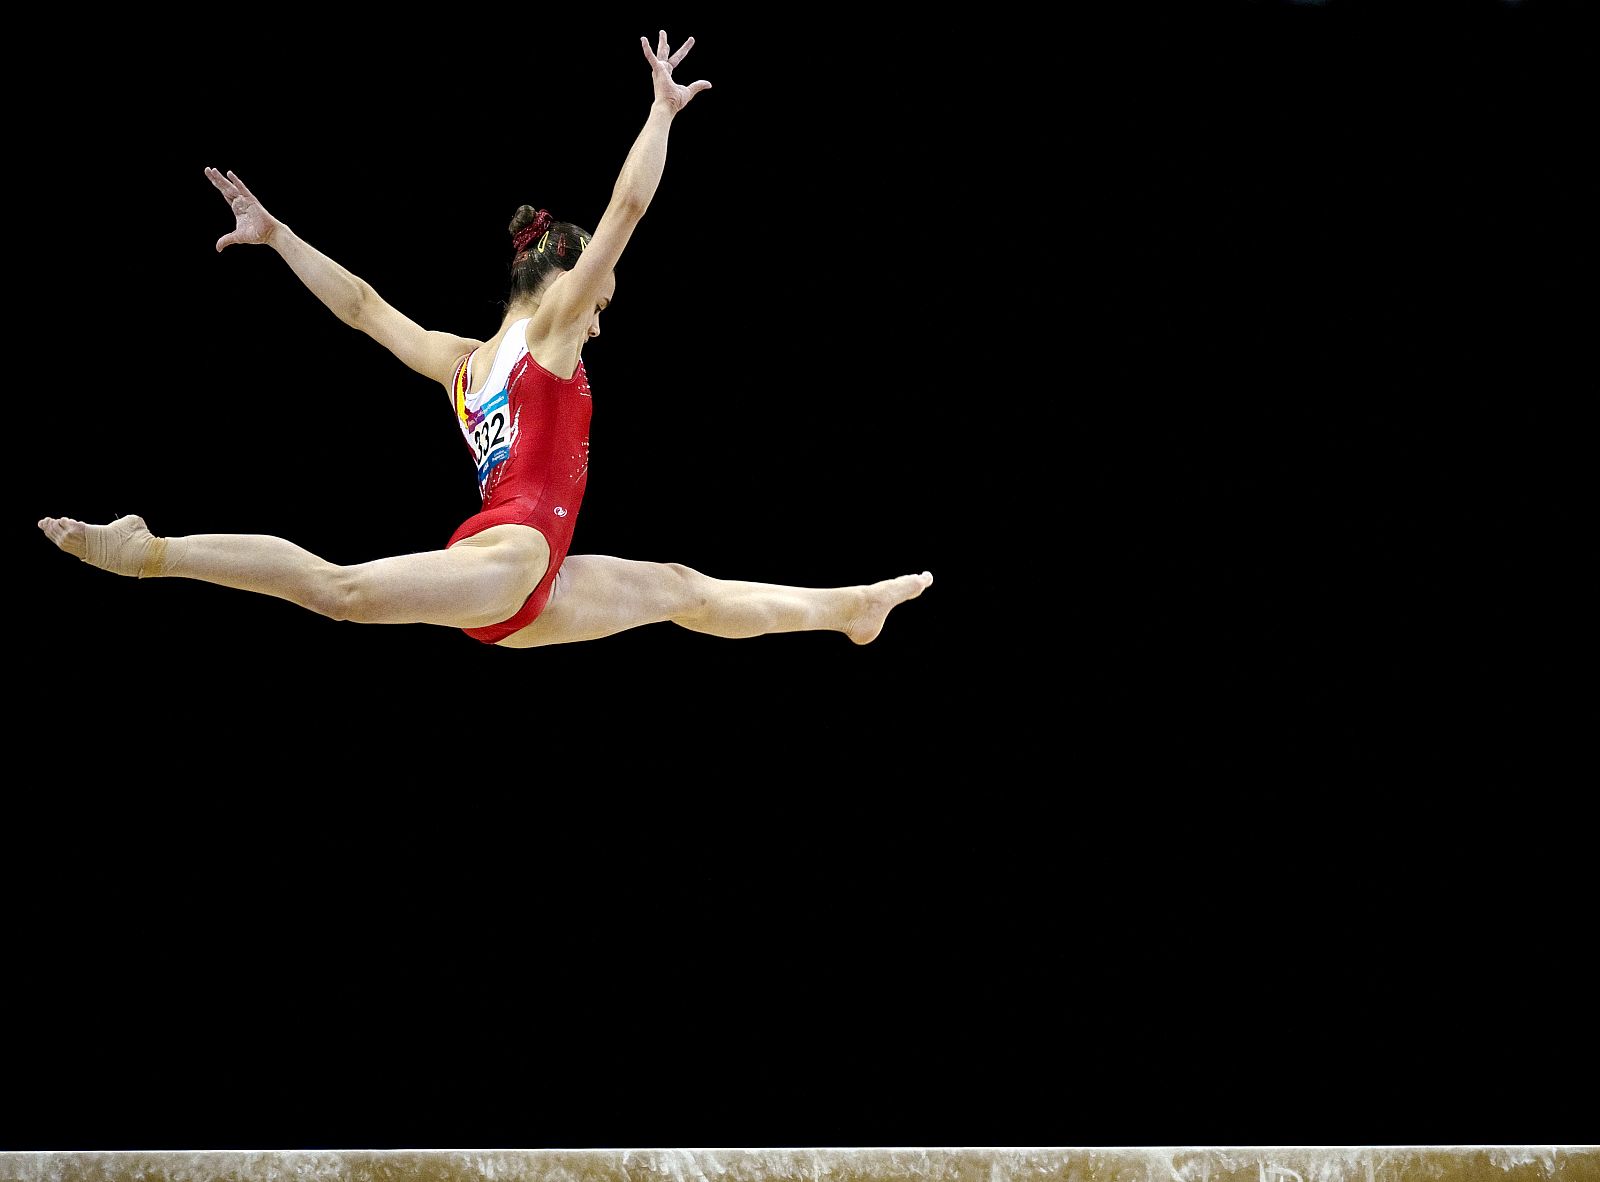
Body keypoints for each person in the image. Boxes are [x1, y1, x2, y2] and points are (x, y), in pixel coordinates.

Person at [38, 30, 930, 649]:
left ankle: (849, 608)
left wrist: (280, 238)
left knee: (685, 591)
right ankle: (151, 551)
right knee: (341, 592)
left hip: (527, 580)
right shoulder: (551, 336)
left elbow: (361, 308)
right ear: (565, 284)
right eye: (600, 293)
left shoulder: (463, 364)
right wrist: (659, 115)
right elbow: (625, 209)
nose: (604, 309)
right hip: (512, 560)